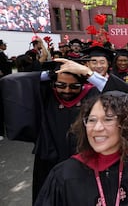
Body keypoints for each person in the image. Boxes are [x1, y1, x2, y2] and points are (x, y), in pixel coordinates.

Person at [0, 61, 100, 203]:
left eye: (74, 86)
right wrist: (50, 74)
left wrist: (89, 74)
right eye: (61, 85)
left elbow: (120, 93)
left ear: (83, 84)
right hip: (49, 158)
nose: (66, 90)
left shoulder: (92, 95)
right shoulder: (47, 94)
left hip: (83, 159)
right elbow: (9, 81)